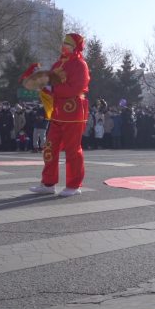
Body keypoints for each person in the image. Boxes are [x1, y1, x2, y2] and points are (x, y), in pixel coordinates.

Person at [29, 33, 90, 197]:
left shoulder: (80, 64)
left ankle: (73, 185)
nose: (64, 46)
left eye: (68, 44)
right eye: (64, 43)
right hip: (57, 111)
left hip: (73, 111)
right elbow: (50, 85)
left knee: (72, 150)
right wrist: (40, 80)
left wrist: (53, 90)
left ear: (76, 47)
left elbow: (76, 88)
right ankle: (48, 183)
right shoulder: (58, 63)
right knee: (49, 147)